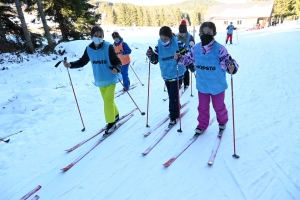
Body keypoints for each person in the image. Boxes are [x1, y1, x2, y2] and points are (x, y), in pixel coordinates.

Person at [174, 22, 239, 135]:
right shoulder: (196, 49)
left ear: (214, 33)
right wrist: (179, 58)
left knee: (219, 106)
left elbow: (227, 61)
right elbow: (187, 59)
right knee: (202, 107)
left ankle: (222, 121)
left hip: (217, 85)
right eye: (203, 32)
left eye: (209, 32)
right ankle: (202, 125)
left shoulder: (220, 49)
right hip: (203, 85)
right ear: (199, 33)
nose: (206, 34)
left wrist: (231, 66)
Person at [63, 26, 122, 135]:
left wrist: (116, 69)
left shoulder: (108, 47)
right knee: (107, 100)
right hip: (100, 80)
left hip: (111, 79)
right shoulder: (89, 49)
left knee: (107, 102)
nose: (98, 38)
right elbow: (82, 61)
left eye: (100, 36)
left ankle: (111, 123)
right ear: (91, 36)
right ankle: (116, 114)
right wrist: (70, 64)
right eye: (96, 36)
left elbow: (118, 62)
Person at [146, 26, 188, 127]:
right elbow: (155, 60)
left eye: (166, 39)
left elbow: (186, 55)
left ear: (170, 37)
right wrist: (150, 55)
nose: (164, 41)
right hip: (166, 74)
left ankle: (174, 115)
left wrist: (180, 56)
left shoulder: (178, 43)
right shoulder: (158, 46)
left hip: (177, 73)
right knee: (171, 94)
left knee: (173, 95)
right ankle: (176, 106)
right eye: (162, 39)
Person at [176, 19, 195, 89]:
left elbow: (193, 47)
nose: (181, 35)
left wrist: (191, 56)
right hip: (179, 56)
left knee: (186, 70)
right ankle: (179, 83)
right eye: (180, 33)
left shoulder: (190, 37)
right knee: (179, 70)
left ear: (186, 32)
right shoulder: (176, 36)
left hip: (187, 56)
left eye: (183, 33)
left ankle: (186, 83)